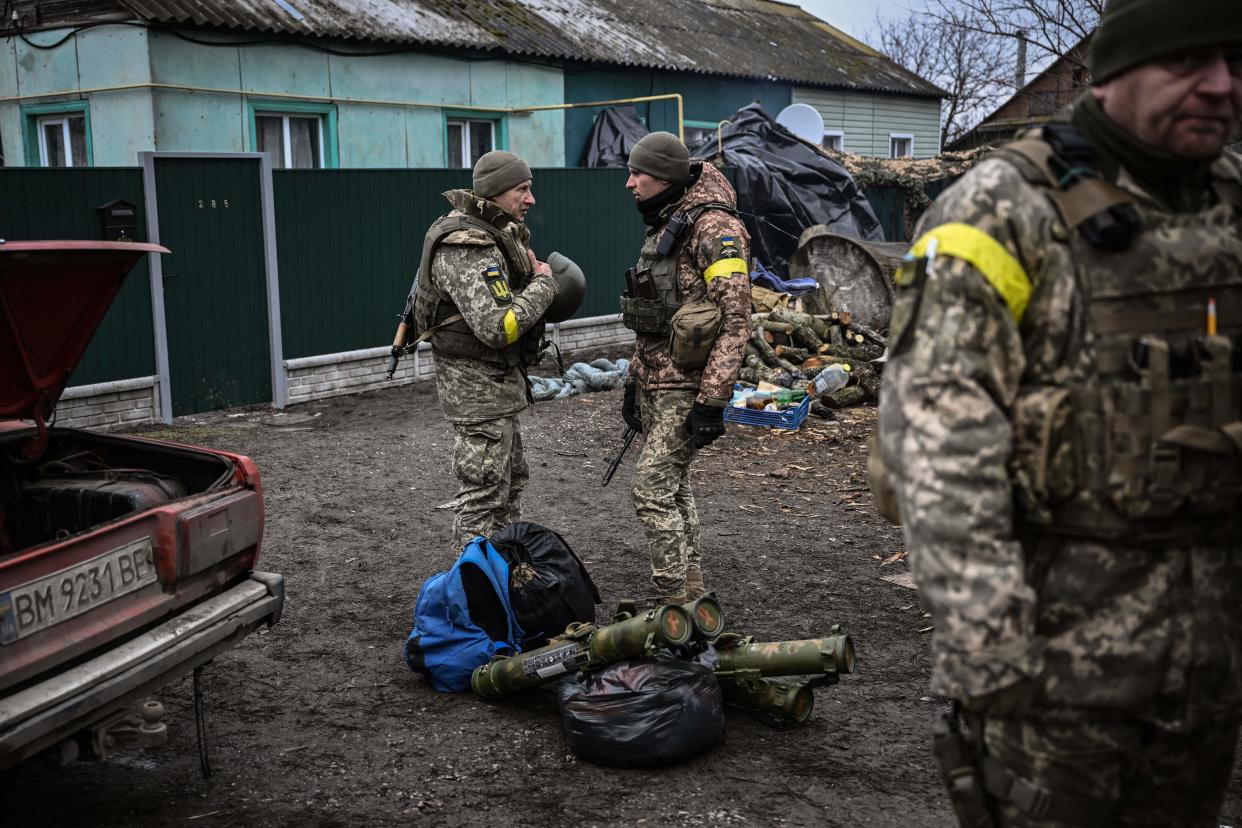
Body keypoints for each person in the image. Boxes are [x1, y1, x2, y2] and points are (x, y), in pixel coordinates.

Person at [874, 0, 1242, 824]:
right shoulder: (1001, 210)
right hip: (1057, 670)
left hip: (1212, 657)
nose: (1220, 86)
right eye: (1188, 60)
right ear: (1115, 68)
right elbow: (937, 443)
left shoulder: (1228, 202)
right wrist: (989, 652)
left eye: (1235, 61)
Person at [619, 132, 751, 604]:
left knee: (650, 488)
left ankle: (672, 602)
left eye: (638, 174)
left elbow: (736, 320)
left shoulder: (715, 230)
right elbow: (650, 315)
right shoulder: (665, 222)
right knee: (674, 488)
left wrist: (713, 400)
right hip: (656, 380)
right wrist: (634, 383)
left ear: (665, 177)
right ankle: (693, 593)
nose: (629, 183)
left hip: (688, 386)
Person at [412, 150, 557, 550]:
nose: (531, 199)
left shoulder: (493, 233)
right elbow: (497, 326)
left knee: (508, 490)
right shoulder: (468, 246)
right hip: (478, 395)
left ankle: (502, 581)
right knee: (481, 500)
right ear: (495, 193)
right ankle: (474, 597)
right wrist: (544, 284)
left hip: (496, 390)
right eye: (523, 190)